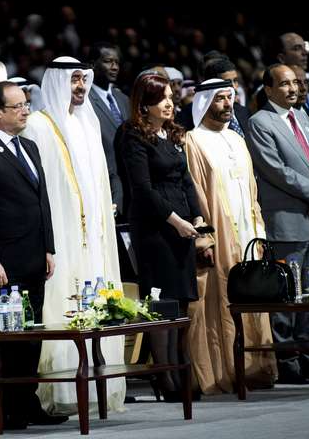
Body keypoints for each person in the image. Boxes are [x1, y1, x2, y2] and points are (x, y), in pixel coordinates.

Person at [22, 57, 125, 413]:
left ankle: (99, 389)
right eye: (74, 80)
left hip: (93, 238)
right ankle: (60, 393)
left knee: (96, 302)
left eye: (83, 79)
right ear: (57, 82)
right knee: (61, 304)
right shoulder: (37, 125)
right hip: (59, 238)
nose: (80, 87)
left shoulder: (89, 123)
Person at [0, 81, 68, 429]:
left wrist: (49, 247)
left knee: (31, 337)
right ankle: (3, 406)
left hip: (34, 257)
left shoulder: (30, 147)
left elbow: (43, 202)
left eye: (26, 104)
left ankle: (28, 400)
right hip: (5, 264)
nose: (26, 110)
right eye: (18, 106)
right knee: (6, 340)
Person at [185, 78, 277, 394]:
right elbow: (195, 195)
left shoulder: (238, 140)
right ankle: (225, 369)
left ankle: (255, 368)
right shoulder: (193, 141)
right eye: (220, 98)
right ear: (204, 102)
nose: (227, 104)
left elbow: (252, 191)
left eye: (230, 97)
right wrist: (204, 239)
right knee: (222, 301)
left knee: (253, 299)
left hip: (248, 234)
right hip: (219, 236)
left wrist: (260, 232)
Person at [118, 73, 205, 400]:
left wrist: (196, 214)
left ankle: (179, 371)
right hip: (155, 229)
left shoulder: (171, 133)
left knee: (180, 303)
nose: (170, 103)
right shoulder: (132, 136)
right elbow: (142, 190)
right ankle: (165, 378)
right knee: (160, 304)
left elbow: (186, 180)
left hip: (181, 226)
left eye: (171, 96)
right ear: (144, 104)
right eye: (161, 98)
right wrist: (175, 221)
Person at [246, 64, 309, 384]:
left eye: (296, 83)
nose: (293, 89)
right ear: (268, 90)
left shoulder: (303, 117)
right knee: (286, 295)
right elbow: (275, 170)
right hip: (286, 220)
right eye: (284, 85)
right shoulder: (260, 122)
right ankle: (288, 359)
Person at [88, 43, 129, 216]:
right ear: (92, 64)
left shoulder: (123, 98)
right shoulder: (85, 100)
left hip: (130, 178)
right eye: (108, 61)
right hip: (105, 178)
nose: (114, 67)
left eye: (117, 62)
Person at [176, 59, 250, 136]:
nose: (234, 87)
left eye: (235, 80)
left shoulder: (243, 111)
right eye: (226, 82)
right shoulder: (187, 117)